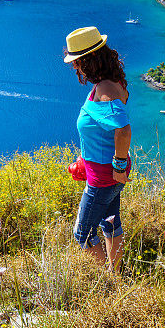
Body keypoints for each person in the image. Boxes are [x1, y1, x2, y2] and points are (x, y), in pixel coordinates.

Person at [63, 26, 131, 273]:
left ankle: (108, 281)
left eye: (77, 63)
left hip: (104, 176)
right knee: (110, 224)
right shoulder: (114, 82)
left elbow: (123, 129)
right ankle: (117, 275)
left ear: (87, 61)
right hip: (106, 172)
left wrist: (118, 165)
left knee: (82, 234)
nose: (75, 68)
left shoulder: (104, 92)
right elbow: (106, 130)